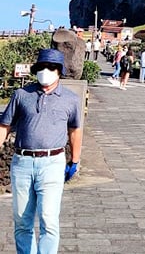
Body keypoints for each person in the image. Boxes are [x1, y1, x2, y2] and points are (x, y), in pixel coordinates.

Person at [0, 48, 83, 254]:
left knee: (49, 218)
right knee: (22, 219)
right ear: (36, 69)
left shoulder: (71, 99)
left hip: (53, 162)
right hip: (22, 162)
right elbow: (4, 126)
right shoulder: (21, 94)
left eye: (52, 67)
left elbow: (75, 130)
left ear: (59, 71)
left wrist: (75, 160)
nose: (46, 70)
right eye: (42, 66)